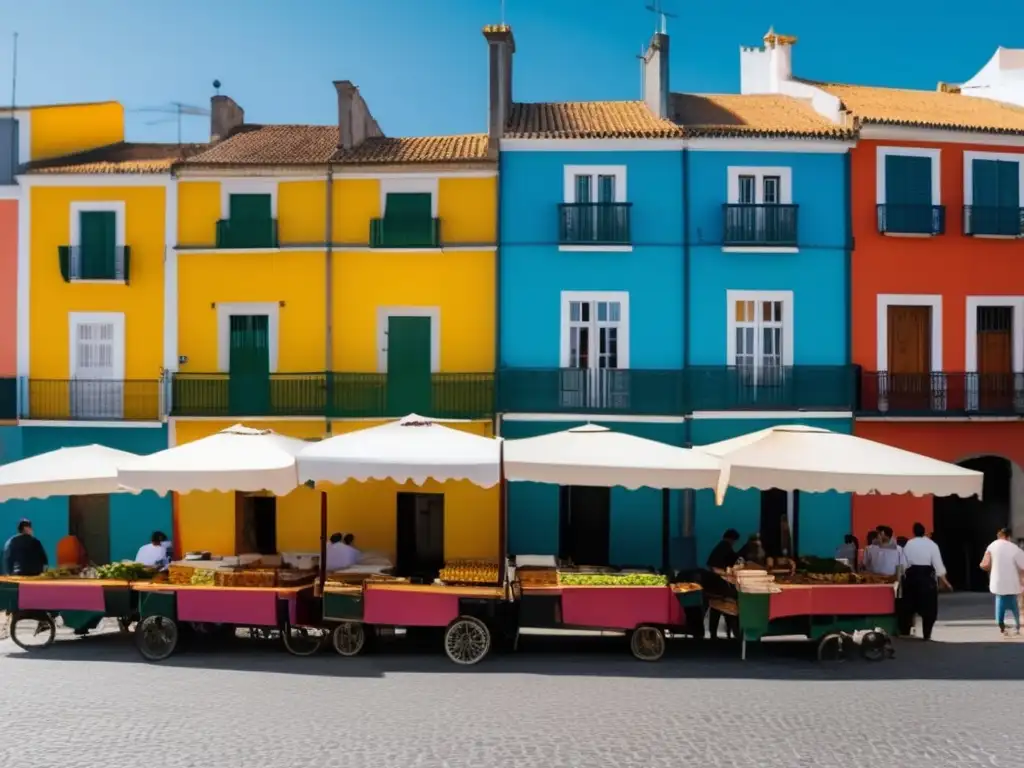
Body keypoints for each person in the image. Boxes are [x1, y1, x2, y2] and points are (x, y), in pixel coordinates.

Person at [901, 522, 951, 640]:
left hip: (911, 576)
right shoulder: (932, 544)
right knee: (929, 609)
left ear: (914, 532)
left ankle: (906, 631)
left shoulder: (909, 544)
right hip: (926, 578)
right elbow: (938, 564)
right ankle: (926, 634)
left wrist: (902, 576)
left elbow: (904, 563)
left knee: (908, 606)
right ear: (925, 532)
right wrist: (945, 581)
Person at [980, 527, 1024, 637]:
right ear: (1009, 537)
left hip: (997, 582)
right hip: (1012, 583)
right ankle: (1017, 627)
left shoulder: (992, 546)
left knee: (1000, 603)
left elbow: (984, 563)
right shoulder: (1014, 548)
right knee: (1014, 605)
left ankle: (1001, 626)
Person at [704, 529, 741, 640]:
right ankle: (730, 632)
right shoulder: (725, 547)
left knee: (716, 609)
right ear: (731, 539)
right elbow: (731, 561)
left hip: (714, 585)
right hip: (718, 585)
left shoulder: (721, 547)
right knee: (728, 605)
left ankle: (714, 634)